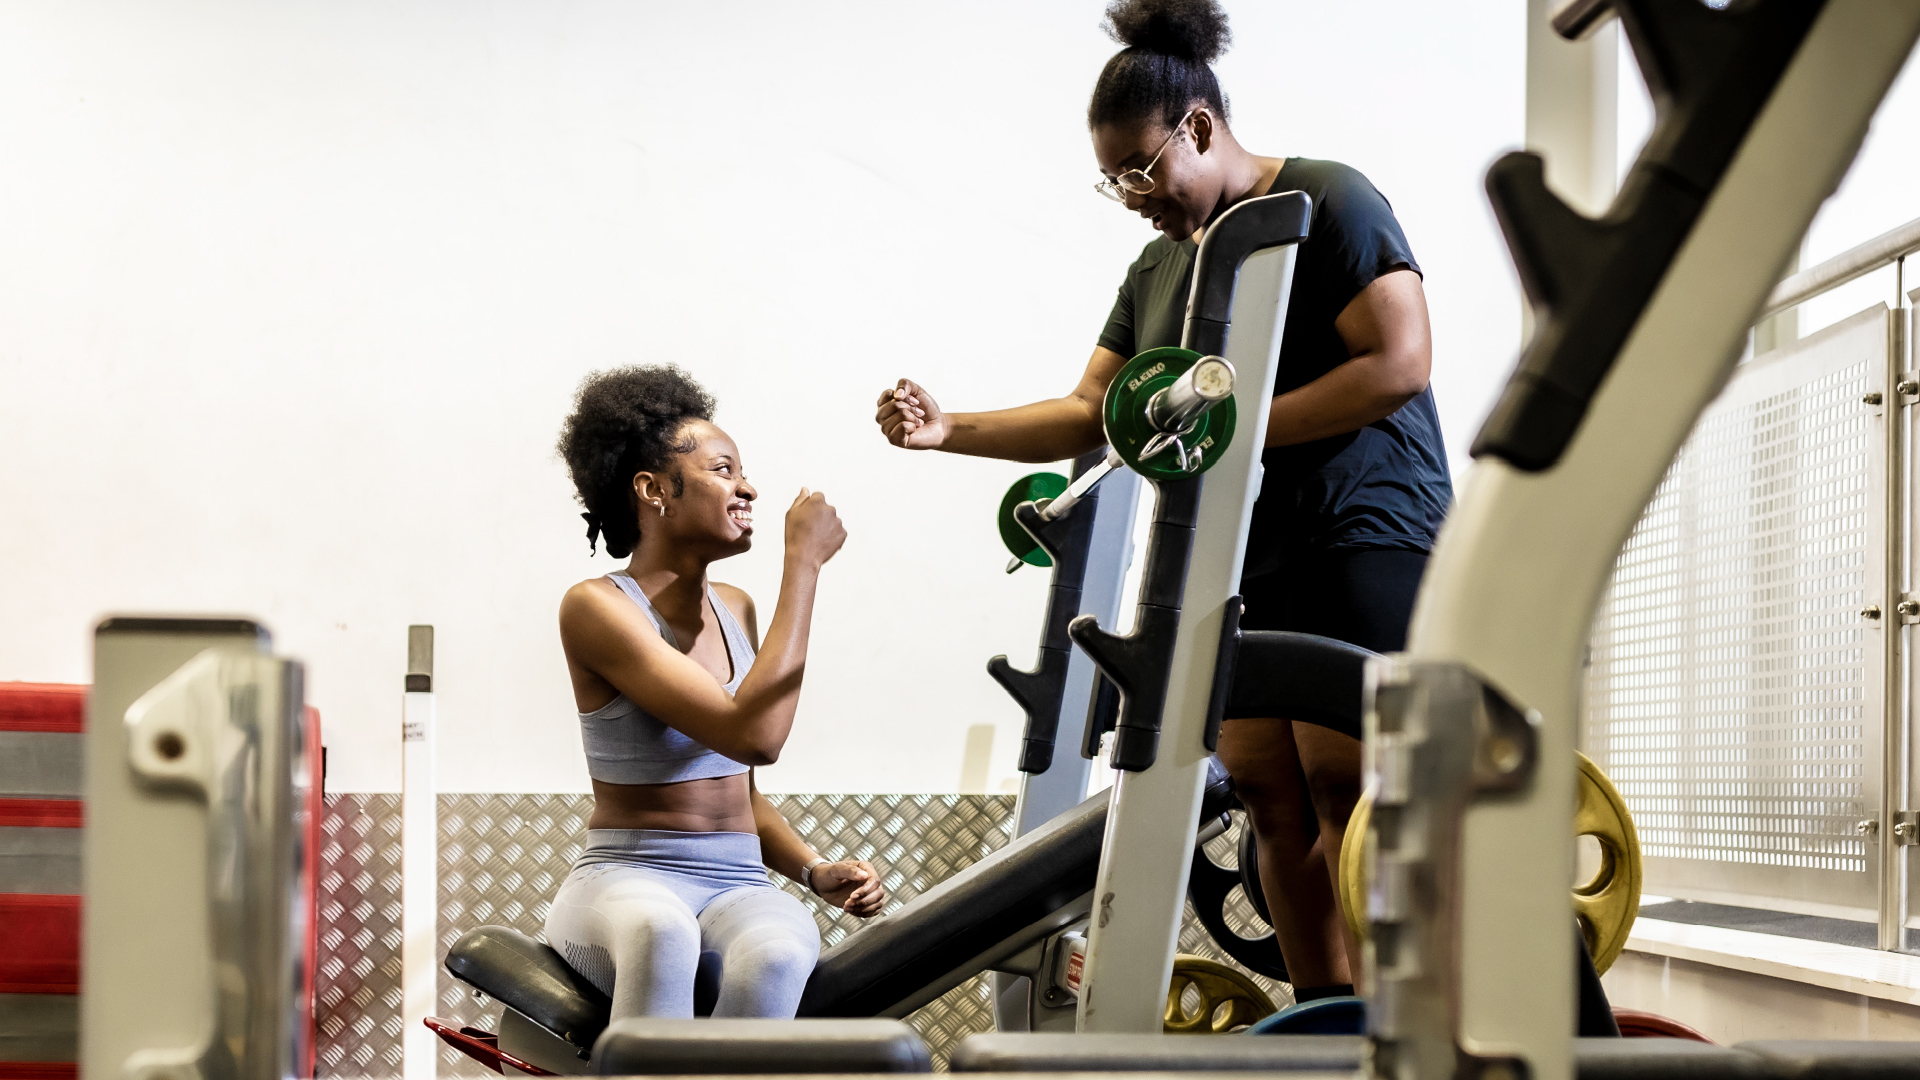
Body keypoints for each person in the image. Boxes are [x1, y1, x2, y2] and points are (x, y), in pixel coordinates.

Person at [872, 0, 1449, 999]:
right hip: (1237, 553)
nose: (1134, 197)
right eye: (1115, 181)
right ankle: (1321, 1024)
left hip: (1363, 530)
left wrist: (1234, 433)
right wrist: (949, 428)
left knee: (1342, 788)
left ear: (1199, 126)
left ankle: (1394, 1027)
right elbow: (1094, 412)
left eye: (1142, 170)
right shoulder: (1159, 266)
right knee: (1266, 797)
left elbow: (1398, 363)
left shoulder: (1330, 198)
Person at [546, 364, 884, 1021]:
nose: (747, 487)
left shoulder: (737, 608)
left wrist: (813, 869)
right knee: (661, 934)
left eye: (743, 472)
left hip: (738, 881)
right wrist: (804, 564)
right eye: (724, 470)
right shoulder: (597, 607)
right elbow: (756, 738)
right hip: (626, 877)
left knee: (779, 954)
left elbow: (740, 788)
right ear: (654, 490)